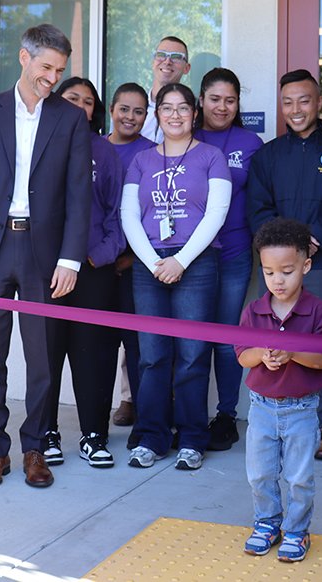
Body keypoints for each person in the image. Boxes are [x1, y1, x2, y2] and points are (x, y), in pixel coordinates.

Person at [0, 23, 92, 489]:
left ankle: (36, 447)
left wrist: (70, 260)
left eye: (60, 70)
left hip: (44, 253)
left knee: (42, 357)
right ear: (24, 58)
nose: (52, 78)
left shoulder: (72, 119)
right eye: (45, 67)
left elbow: (80, 195)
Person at [120, 83, 230, 471]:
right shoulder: (141, 161)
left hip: (196, 263)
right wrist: (153, 262)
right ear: (157, 113)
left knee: (192, 355)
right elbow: (129, 216)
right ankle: (152, 437)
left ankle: (192, 438)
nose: (175, 115)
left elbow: (216, 214)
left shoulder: (212, 156)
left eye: (183, 108)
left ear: (194, 113)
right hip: (149, 265)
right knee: (152, 357)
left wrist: (181, 260)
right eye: (167, 108)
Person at [247, 69, 322, 460]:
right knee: (272, 342)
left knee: (318, 345)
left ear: (319, 102)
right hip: (275, 269)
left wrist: (305, 246)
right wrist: (287, 250)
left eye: (304, 100)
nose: (296, 109)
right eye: (287, 102)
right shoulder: (267, 156)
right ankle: (273, 424)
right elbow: (258, 210)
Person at [236, 218, 322, 563]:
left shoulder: (318, 311)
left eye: (287, 271)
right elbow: (243, 357)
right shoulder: (253, 311)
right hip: (261, 408)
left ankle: (296, 530)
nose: (277, 280)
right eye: (268, 272)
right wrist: (262, 355)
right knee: (260, 473)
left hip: (302, 410)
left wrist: (293, 353)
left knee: (299, 478)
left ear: (306, 266)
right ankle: (267, 524)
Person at [48, 77, 125, 468]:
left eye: (88, 102)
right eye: (72, 98)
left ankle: (93, 435)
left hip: (93, 269)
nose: (81, 106)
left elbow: (117, 215)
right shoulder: (39, 143)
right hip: (46, 271)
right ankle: (46, 433)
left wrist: (96, 257)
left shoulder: (104, 151)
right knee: (46, 353)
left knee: (90, 353)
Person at [194, 68, 264, 452]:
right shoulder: (185, 137)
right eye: (215, 98)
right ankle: (187, 413)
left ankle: (224, 415)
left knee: (225, 339)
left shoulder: (250, 142)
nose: (222, 107)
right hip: (188, 257)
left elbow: (261, 197)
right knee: (190, 339)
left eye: (230, 100)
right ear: (201, 99)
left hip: (235, 254)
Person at [106, 82, 156, 432]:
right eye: (125, 109)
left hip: (135, 263)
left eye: (139, 111)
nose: (131, 117)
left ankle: (143, 407)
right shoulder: (92, 148)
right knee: (99, 342)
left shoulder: (152, 152)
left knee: (137, 341)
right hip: (96, 265)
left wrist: (133, 259)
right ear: (112, 109)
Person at [140, 36, 190, 144]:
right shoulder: (134, 108)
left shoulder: (190, 113)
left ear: (187, 68)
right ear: (153, 62)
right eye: (161, 55)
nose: (167, 62)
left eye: (176, 57)